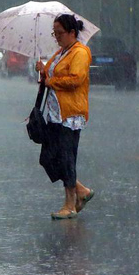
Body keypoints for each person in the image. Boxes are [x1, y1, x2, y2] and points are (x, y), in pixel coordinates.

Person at [36, 14, 94, 220]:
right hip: (54, 114)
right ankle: (81, 190)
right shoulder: (61, 53)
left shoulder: (80, 53)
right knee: (49, 158)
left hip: (69, 114)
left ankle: (70, 205)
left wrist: (52, 82)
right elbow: (52, 77)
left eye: (60, 33)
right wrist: (43, 72)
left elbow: (76, 79)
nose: (57, 37)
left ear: (72, 33)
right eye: (55, 33)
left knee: (67, 158)